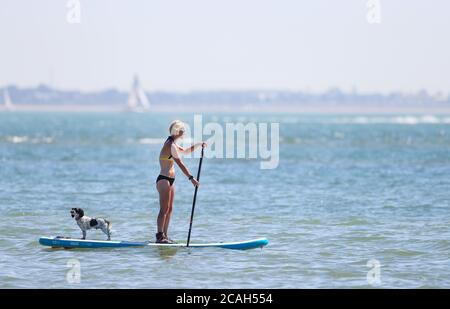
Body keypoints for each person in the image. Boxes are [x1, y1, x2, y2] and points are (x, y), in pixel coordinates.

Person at [155, 120, 206, 243]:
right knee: (163, 209)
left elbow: (186, 151)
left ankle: (165, 236)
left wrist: (198, 145)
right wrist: (191, 178)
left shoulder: (174, 144)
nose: (184, 132)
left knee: (169, 209)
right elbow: (180, 164)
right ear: (177, 131)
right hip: (163, 180)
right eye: (182, 130)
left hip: (171, 180)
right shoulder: (169, 145)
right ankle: (159, 236)